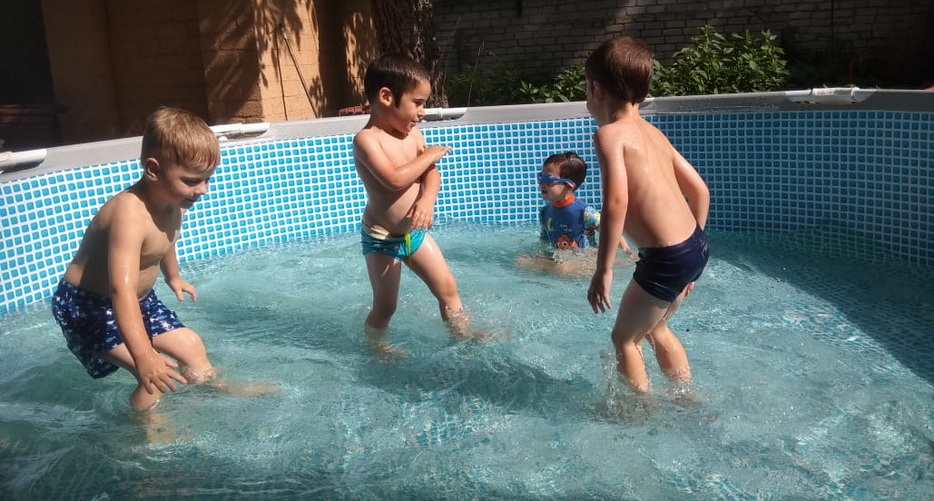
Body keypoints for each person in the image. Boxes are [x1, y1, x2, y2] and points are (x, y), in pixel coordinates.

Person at [52, 107, 276, 417]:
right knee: (155, 375)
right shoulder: (129, 214)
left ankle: (213, 389)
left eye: (207, 179)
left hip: (139, 300)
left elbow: (164, 241)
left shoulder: (173, 202)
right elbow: (121, 291)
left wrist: (173, 277)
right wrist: (145, 356)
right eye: (192, 180)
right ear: (153, 170)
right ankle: (147, 430)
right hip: (89, 307)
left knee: (192, 345)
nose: (203, 189)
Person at [583, 36, 711, 396]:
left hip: (666, 257)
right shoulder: (654, 133)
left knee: (624, 339)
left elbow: (615, 203)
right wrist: (692, 257)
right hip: (694, 247)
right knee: (655, 328)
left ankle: (641, 413)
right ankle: (686, 397)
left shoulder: (609, 135)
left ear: (597, 89)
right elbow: (700, 192)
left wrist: (603, 269)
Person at [353, 53, 474, 358]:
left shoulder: (412, 133)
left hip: (414, 234)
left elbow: (431, 175)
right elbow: (393, 180)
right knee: (386, 305)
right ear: (386, 97)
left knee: (447, 288)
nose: (422, 112)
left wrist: (427, 200)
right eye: (417, 102)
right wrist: (429, 154)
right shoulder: (367, 140)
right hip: (381, 238)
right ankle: (376, 347)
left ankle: (463, 336)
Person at [517, 151, 637, 276]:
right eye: (540, 177)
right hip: (563, 259)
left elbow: (611, 232)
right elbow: (545, 243)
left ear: (569, 185)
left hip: (585, 259)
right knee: (521, 260)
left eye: (548, 179)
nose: (541, 183)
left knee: (563, 268)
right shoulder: (545, 212)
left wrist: (627, 252)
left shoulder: (585, 212)